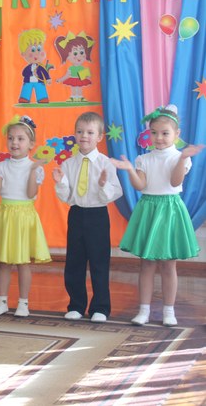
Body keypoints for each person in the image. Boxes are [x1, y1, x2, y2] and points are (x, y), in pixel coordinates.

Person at [111, 105, 203, 326]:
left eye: (165, 133)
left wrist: (182, 159)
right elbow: (140, 185)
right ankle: (143, 310)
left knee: (168, 264)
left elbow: (175, 181)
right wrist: (130, 170)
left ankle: (168, 311)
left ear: (176, 134)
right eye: (154, 133)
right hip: (149, 208)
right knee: (147, 264)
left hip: (170, 210)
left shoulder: (180, 157)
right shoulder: (144, 159)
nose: (159, 138)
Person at [53, 112, 123, 323]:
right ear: (75, 134)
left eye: (90, 132)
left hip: (97, 215)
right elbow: (66, 197)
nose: (84, 136)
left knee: (99, 262)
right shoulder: (68, 164)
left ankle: (100, 307)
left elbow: (116, 192)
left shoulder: (105, 163)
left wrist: (103, 185)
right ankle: (76, 305)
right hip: (76, 214)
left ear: (99, 137)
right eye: (80, 131)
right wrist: (61, 183)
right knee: (74, 262)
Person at [0, 115, 51, 317]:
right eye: (11, 138)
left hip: (24, 216)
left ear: (31, 144)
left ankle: (23, 304)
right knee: (4, 262)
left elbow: (30, 193)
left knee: (23, 262)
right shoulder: (2, 166)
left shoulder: (35, 168)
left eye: (20, 139)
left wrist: (33, 171)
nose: (14, 143)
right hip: (6, 215)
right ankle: (2, 302)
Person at [54, 32, 95, 102]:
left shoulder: (82, 68)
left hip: (80, 79)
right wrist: (60, 79)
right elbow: (67, 75)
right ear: (67, 56)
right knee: (73, 88)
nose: (79, 56)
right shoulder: (71, 68)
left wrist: (89, 78)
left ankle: (80, 96)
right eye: (75, 53)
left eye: (81, 52)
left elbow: (86, 75)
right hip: (73, 79)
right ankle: (73, 96)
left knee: (79, 88)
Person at [18, 28, 52, 104]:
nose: (37, 53)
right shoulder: (28, 67)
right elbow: (23, 73)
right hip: (28, 81)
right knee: (26, 88)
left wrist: (48, 79)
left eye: (39, 49)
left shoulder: (40, 67)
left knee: (40, 88)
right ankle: (24, 98)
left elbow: (45, 73)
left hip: (39, 81)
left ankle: (42, 98)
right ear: (23, 54)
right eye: (33, 50)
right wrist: (30, 73)